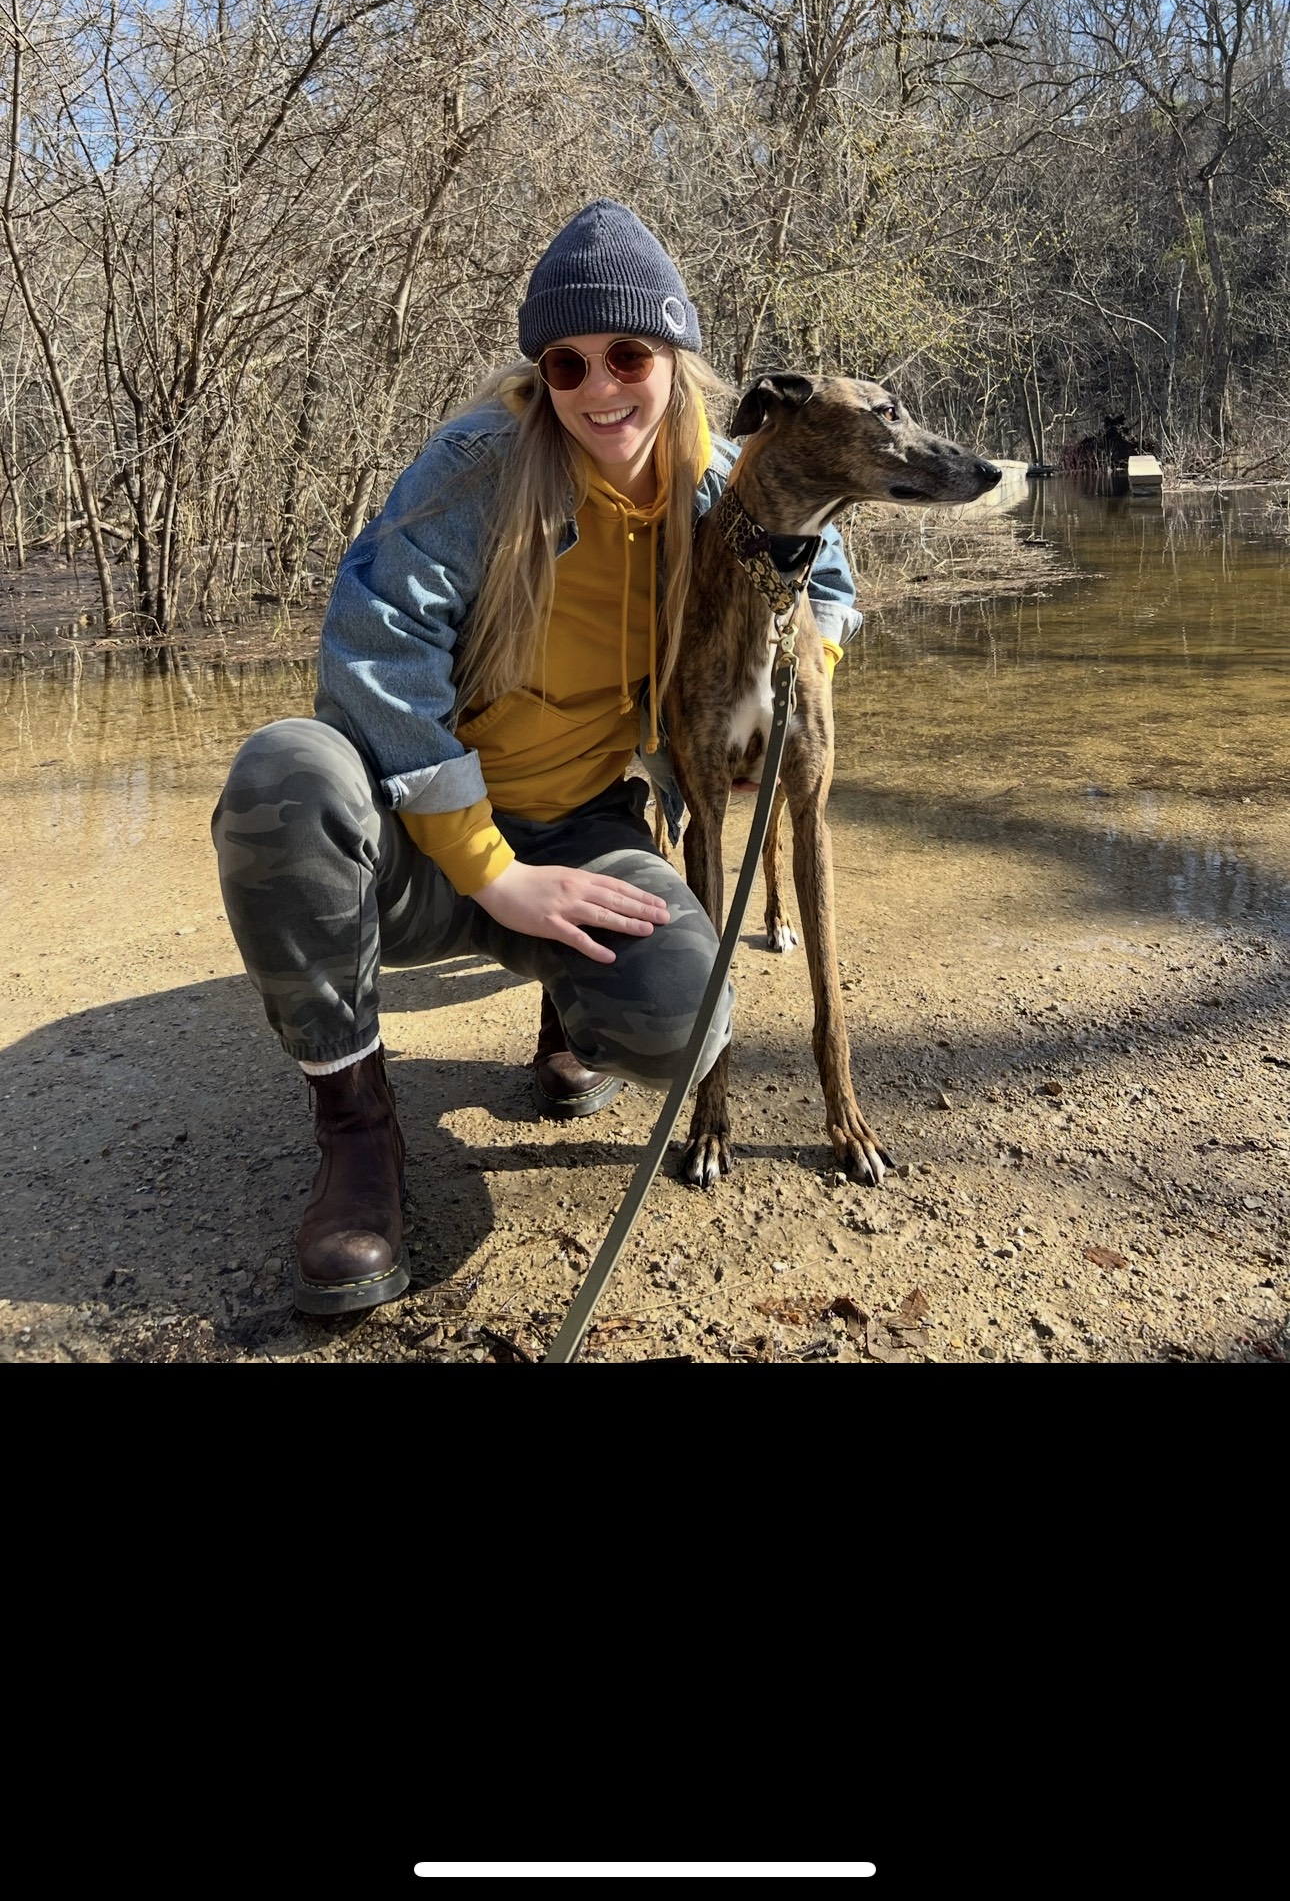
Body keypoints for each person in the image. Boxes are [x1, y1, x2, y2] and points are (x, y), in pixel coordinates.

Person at [212, 203, 861, 1316]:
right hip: (430, 840)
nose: (600, 387)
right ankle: (359, 1136)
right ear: (542, 376)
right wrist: (489, 871)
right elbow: (373, 657)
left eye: (628, 356)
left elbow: (826, 578)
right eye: (568, 364)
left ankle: (573, 1014)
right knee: (285, 775)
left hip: (582, 828)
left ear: (674, 359)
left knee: (689, 1027)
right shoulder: (476, 470)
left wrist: (779, 689)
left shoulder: (723, 485)